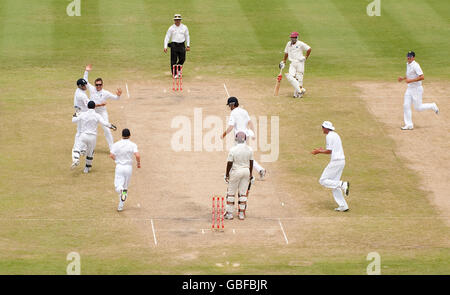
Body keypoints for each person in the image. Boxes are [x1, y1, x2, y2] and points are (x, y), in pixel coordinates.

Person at [221, 97, 266, 180]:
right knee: (242, 154)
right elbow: (250, 123)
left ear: (232, 104)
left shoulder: (233, 113)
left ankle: (260, 170)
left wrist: (223, 134)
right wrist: (253, 133)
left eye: (229, 105)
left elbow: (231, 127)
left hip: (239, 137)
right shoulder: (244, 111)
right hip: (246, 135)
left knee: (237, 154)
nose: (229, 107)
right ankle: (260, 170)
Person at [312, 121, 350, 212]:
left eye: (322, 127)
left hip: (336, 162)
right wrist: (322, 150)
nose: (322, 129)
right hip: (341, 161)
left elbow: (330, 151)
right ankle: (343, 206)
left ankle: (342, 184)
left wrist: (319, 151)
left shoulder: (329, 136)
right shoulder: (335, 135)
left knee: (323, 180)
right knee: (333, 185)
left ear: (325, 128)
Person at [83, 64, 122, 150]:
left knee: (107, 130)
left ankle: (112, 149)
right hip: (93, 112)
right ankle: (84, 148)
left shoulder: (105, 93)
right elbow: (85, 81)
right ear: (95, 85)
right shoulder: (92, 89)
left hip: (102, 113)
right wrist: (86, 71)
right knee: (89, 130)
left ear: (102, 85)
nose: (98, 86)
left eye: (100, 85)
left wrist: (118, 95)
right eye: (97, 85)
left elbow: (115, 98)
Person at [398, 51, 439, 130]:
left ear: (413, 58)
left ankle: (432, 106)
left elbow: (422, 77)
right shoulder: (408, 64)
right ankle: (409, 124)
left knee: (418, 108)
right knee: (406, 105)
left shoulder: (416, 65)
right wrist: (403, 78)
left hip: (416, 89)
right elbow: (409, 75)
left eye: (410, 57)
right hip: (409, 89)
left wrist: (411, 81)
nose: (408, 58)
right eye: (407, 56)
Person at [72, 101, 116, 174]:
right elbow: (104, 123)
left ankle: (76, 159)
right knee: (90, 153)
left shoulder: (83, 114)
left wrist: (76, 113)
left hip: (84, 135)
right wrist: (112, 126)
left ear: (87, 107)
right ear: (94, 107)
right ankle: (87, 169)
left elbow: (73, 120)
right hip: (93, 137)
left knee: (77, 149)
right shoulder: (97, 115)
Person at [224, 132, 254, 220]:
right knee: (243, 193)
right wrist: (251, 174)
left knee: (231, 193)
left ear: (236, 139)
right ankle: (241, 214)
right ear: (245, 139)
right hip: (246, 171)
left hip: (236, 171)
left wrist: (226, 175)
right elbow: (251, 162)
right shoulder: (249, 149)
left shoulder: (233, 149)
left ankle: (229, 214)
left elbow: (229, 163)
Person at [110, 128, 141, 212]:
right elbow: (137, 155)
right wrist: (138, 163)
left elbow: (111, 155)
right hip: (128, 168)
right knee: (125, 187)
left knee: (118, 186)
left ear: (122, 135)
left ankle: (121, 190)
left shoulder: (116, 144)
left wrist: (117, 160)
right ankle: (120, 206)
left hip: (120, 167)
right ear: (129, 135)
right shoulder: (133, 145)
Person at [279, 32, 311, 98]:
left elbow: (309, 49)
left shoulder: (300, 43)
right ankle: (301, 90)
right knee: (290, 77)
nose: (292, 39)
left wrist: (306, 57)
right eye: (292, 37)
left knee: (299, 78)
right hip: (292, 63)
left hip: (300, 62)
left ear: (296, 38)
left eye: (294, 38)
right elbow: (286, 52)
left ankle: (297, 94)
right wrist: (284, 60)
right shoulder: (288, 44)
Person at [71, 78, 89, 168]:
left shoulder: (78, 91)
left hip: (80, 114)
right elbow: (89, 105)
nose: (86, 86)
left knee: (82, 133)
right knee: (80, 134)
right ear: (80, 86)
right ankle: (76, 157)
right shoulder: (82, 95)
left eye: (85, 85)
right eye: (84, 85)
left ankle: (82, 150)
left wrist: (86, 72)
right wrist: (100, 104)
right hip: (83, 115)